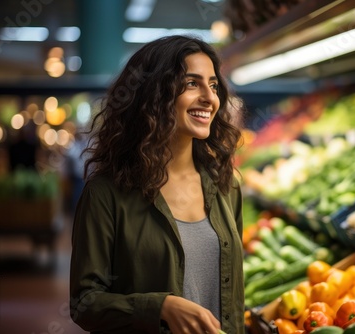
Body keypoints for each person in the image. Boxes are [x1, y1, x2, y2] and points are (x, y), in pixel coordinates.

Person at [69, 35, 245, 334]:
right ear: (154, 94)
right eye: (192, 84)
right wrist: (159, 307)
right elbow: (84, 303)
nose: (209, 97)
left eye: (213, 85)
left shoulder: (226, 186)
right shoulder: (106, 194)